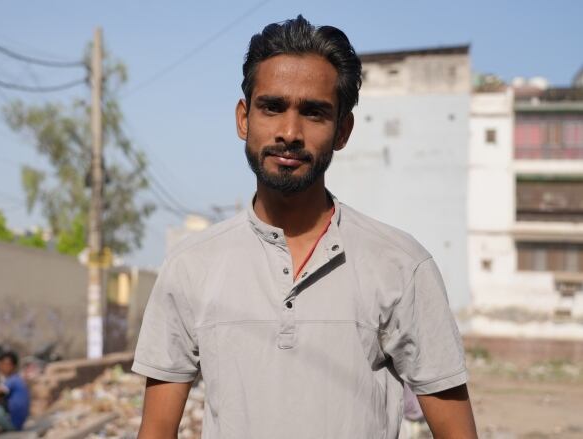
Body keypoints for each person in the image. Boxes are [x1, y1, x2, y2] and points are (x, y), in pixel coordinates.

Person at [132, 15, 478, 439]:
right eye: (272, 107)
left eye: (313, 113)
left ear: (342, 131)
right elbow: (156, 430)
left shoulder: (402, 266)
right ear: (244, 119)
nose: (290, 133)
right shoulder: (189, 267)